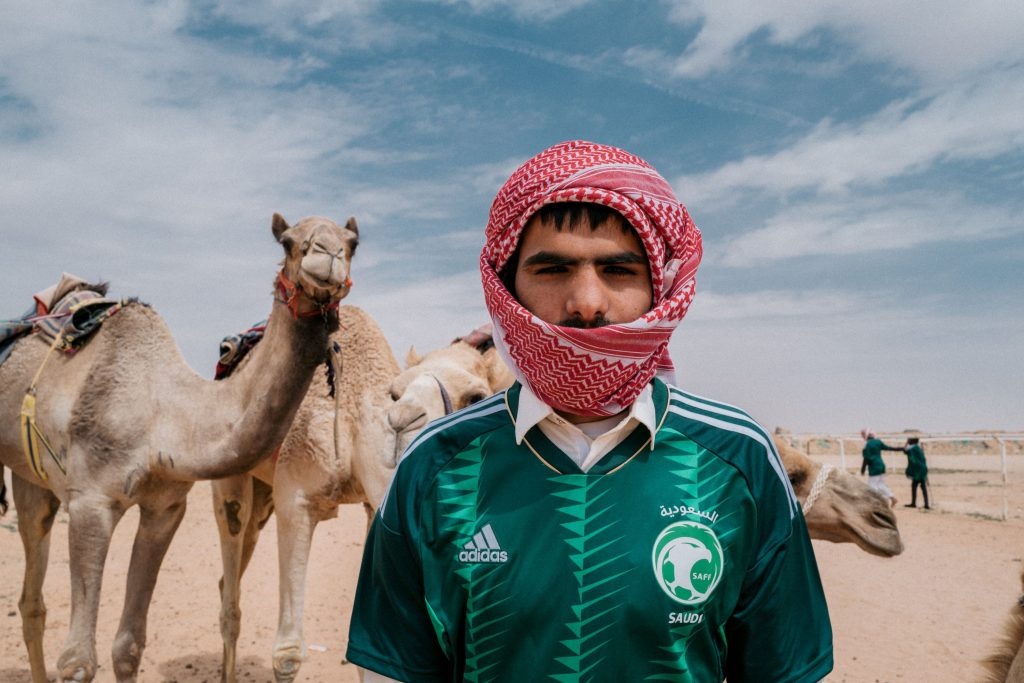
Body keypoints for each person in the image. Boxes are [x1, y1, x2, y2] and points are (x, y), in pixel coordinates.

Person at [346, 140, 833, 682]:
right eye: (553, 268)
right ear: (507, 288)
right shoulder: (433, 468)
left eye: (618, 270)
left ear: (659, 287)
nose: (586, 301)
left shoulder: (739, 459)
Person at [859, 428, 902, 507]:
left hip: (874, 467)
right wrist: (900, 449)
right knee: (881, 485)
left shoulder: (867, 444)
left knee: (872, 486)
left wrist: (863, 469)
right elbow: (888, 448)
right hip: (881, 466)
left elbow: (866, 458)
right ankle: (892, 498)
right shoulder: (878, 442)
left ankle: (876, 503)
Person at [902, 436, 930, 509]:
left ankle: (913, 503)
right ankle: (926, 504)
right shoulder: (919, 448)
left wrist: (906, 443)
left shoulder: (912, 449)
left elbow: (905, 451)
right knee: (923, 487)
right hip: (922, 469)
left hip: (917, 470)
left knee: (914, 486)